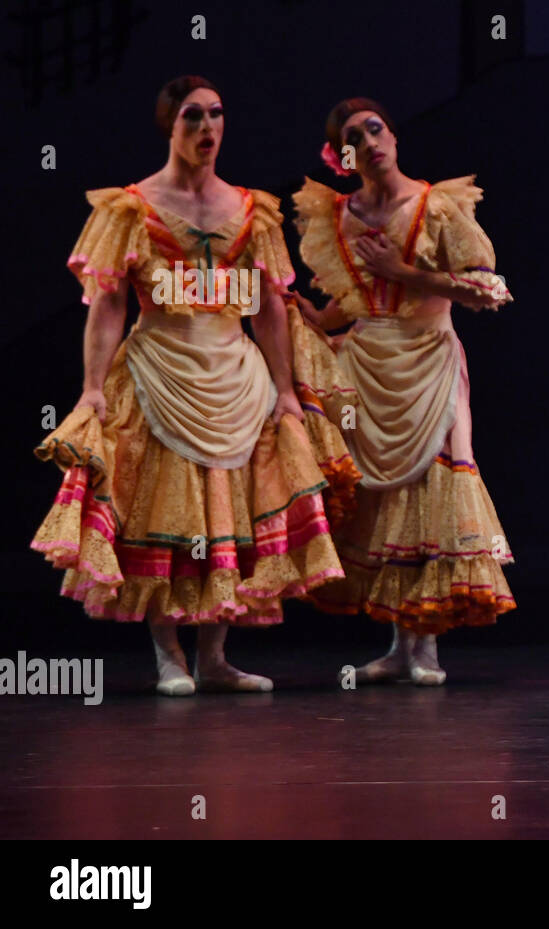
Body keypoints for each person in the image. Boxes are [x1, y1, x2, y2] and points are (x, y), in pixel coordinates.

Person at [31, 76, 353, 695]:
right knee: (166, 512)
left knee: (227, 511)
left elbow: (267, 308)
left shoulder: (252, 209)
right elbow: (107, 306)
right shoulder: (131, 208)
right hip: (160, 370)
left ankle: (214, 656)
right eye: (192, 118)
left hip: (233, 373)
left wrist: (286, 391)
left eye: (216, 115)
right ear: (170, 129)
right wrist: (92, 387)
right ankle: (168, 655)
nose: (208, 128)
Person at [289, 97, 515, 686]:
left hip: (429, 361)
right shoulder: (337, 214)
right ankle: (398, 644)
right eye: (353, 137)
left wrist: (406, 273)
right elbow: (352, 301)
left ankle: (427, 649)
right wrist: (309, 316)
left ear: (392, 135)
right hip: (366, 362)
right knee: (383, 501)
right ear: (340, 155)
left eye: (376, 128)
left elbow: (486, 291)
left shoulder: (438, 205)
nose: (368, 142)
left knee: (431, 488)